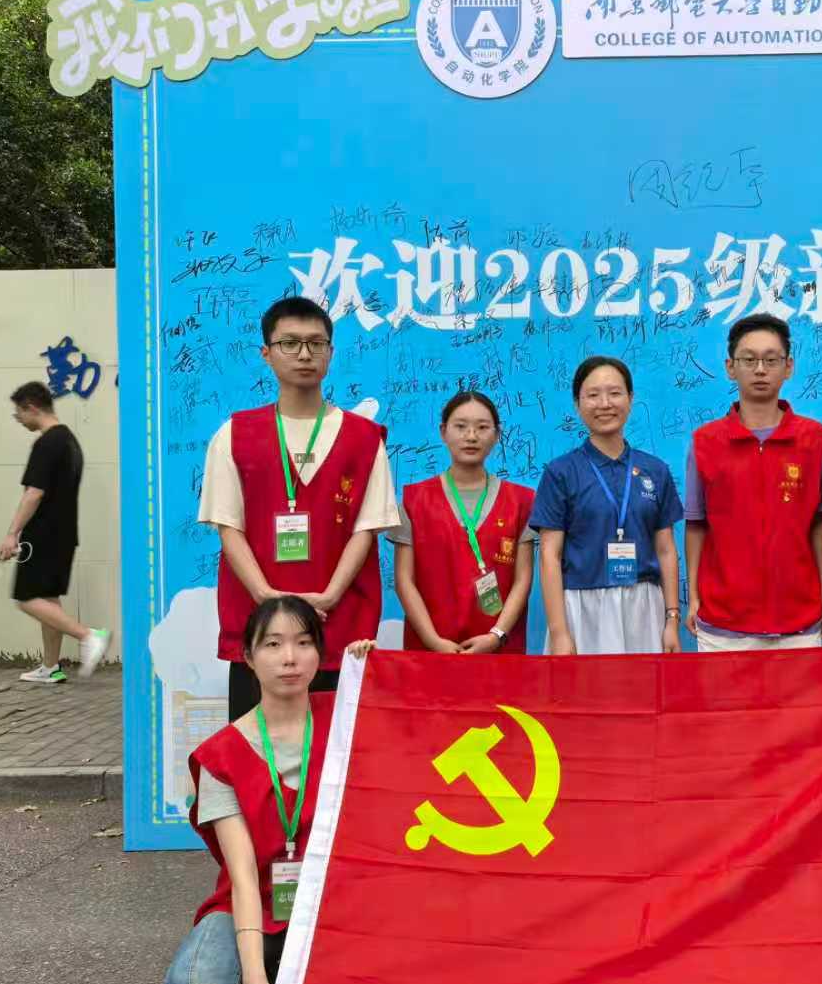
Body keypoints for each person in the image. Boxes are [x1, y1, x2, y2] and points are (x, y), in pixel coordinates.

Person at [198, 296, 398, 721]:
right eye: (289, 343)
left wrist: (330, 596)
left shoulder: (365, 439)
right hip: (259, 627)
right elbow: (228, 527)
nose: (304, 354)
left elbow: (367, 529)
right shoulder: (235, 434)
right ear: (266, 354)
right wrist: (265, 597)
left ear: (330, 352)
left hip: (340, 627)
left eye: (316, 343)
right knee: (258, 747)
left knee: (337, 748)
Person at [163, 596, 333, 984]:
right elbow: (241, 880)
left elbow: (412, 713)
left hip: (332, 901)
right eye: (273, 644)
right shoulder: (222, 756)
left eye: (304, 643)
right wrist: (254, 982)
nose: (290, 658)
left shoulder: (347, 721)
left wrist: (370, 663)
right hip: (252, 897)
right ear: (249, 657)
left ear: (320, 653)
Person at [684, 314, 822, 651]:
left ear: (788, 367)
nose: (760, 370)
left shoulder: (815, 439)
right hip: (723, 626)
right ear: (730, 368)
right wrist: (694, 597)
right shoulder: (705, 442)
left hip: (799, 621)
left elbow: (821, 525)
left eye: (771, 360)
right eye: (749, 360)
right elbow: (696, 524)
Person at [530, 356, 683, 655]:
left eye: (614, 393)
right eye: (593, 395)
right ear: (577, 404)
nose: (605, 404)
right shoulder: (561, 473)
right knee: (583, 686)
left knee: (641, 685)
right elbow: (549, 555)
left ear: (630, 399)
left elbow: (666, 550)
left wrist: (671, 620)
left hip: (644, 607)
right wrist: (559, 632)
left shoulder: (655, 470)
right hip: (581, 608)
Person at [389, 390, 536, 653]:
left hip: (499, 650)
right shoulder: (414, 501)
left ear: (497, 434)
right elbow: (404, 580)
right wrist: (433, 641)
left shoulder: (522, 502)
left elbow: (523, 580)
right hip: (430, 651)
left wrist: (496, 635)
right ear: (443, 432)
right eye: (460, 426)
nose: (471, 436)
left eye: (482, 427)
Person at [0, 381, 109, 682]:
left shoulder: (47, 443)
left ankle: (88, 636)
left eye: (18, 413)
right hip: (64, 535)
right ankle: (50, 667)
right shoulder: (70, 441)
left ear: (31, 407)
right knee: (48, 599)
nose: (18, 420)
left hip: (44, 535)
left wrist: (12, 533)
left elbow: (34, 493)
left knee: (26, 598)